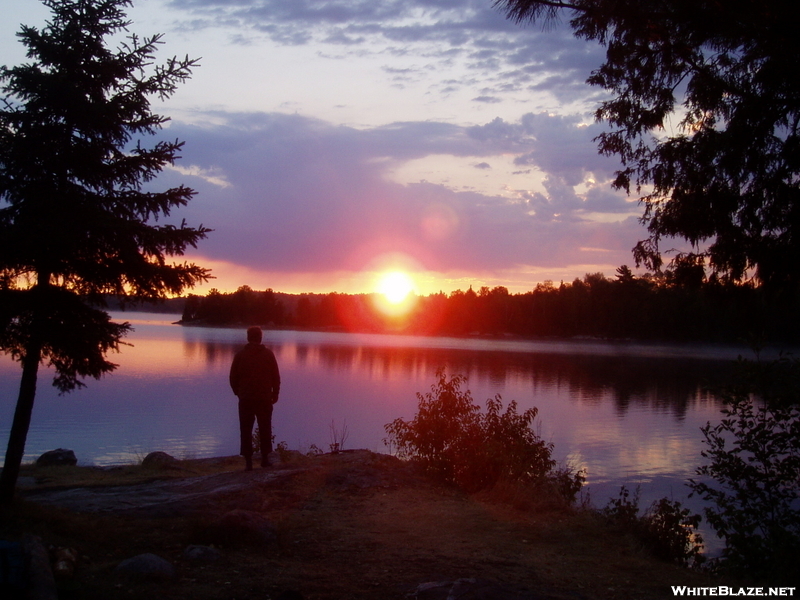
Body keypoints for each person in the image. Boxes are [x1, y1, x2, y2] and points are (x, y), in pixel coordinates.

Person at [229, 326, 280, 471]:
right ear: (260, 338)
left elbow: (233, 377)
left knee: (245, 430)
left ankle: (248, 463)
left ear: (248, 338)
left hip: (246, 399)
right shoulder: (269, 354)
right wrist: (275, 393)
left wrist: (238, 393)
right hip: (264, 398)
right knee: (265, 428)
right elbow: (276, 377)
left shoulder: (240, 355)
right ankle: (265, 459)